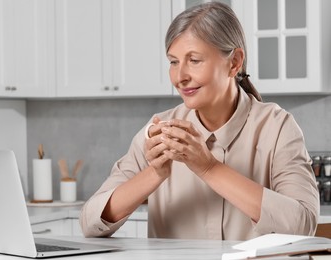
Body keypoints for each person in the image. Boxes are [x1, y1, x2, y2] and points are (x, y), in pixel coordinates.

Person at [79, 2, 319, 240]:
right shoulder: (159, 132)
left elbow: (303, 225)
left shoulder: (277, 128)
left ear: (234, 62)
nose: (180, 77)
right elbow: (90, 223)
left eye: (194, 60)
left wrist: (209, 168)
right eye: (173, 62)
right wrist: (154, 174)